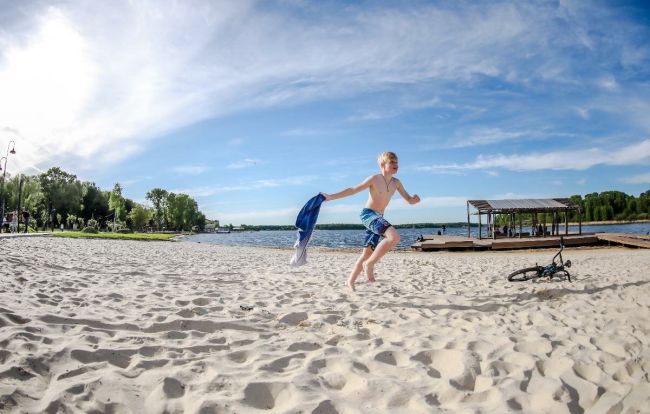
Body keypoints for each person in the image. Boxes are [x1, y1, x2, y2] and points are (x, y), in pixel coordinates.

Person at [321, 151, 420, 290]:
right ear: (382, 164)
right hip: (368, 215)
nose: (395, 165)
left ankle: (350, 281)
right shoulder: (374, 179)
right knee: (394, 237)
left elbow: (409, 199)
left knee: (367, 253)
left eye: (397, 163)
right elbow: (353, 190)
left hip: (379, 217)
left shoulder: (396, 183)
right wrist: (331, 197)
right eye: (392, 162)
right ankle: (370, 264)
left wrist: (414, 200)